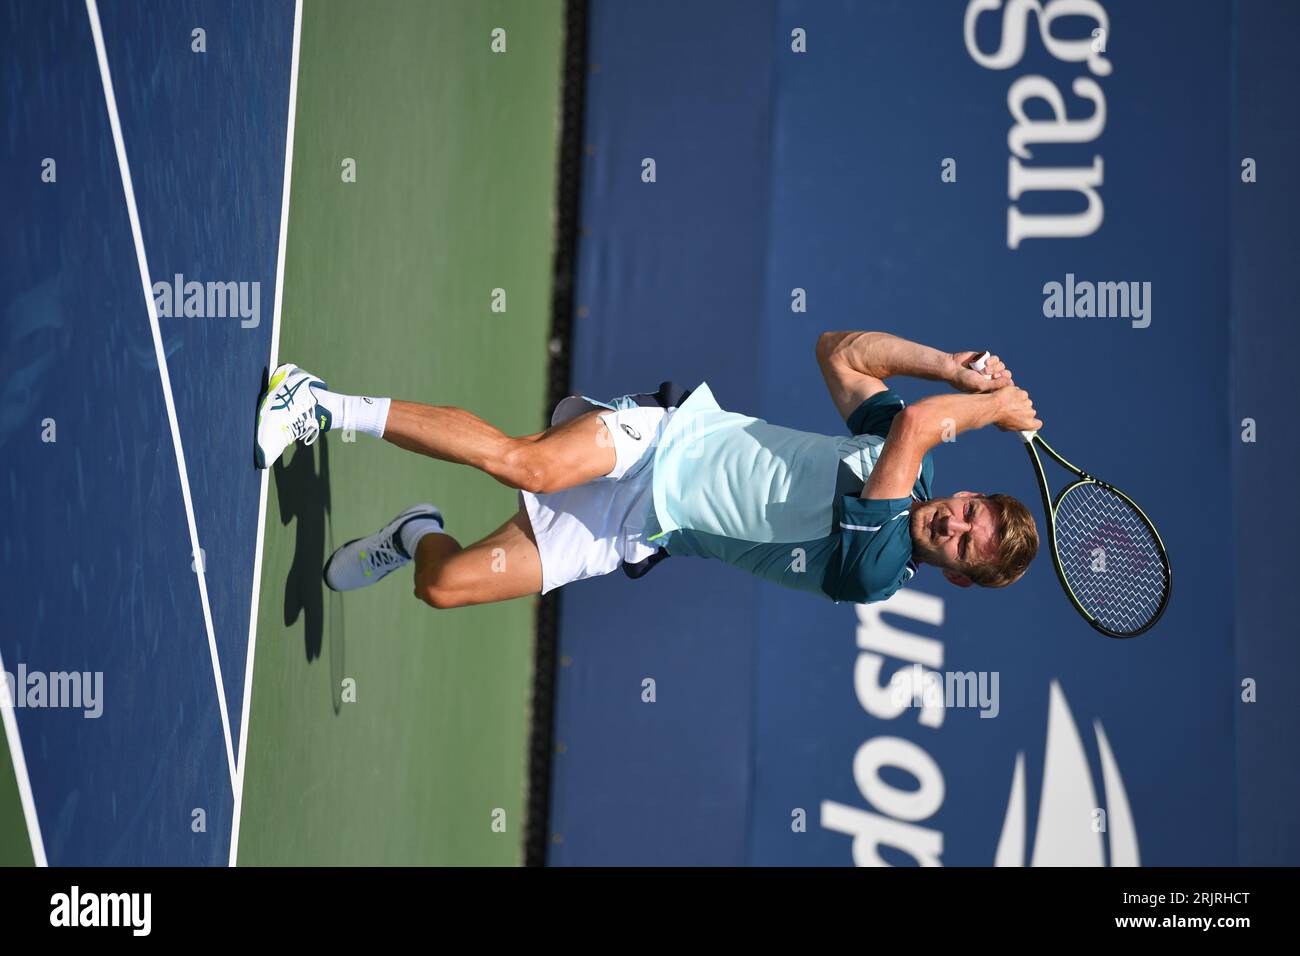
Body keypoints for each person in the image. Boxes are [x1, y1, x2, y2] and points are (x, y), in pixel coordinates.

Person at [253, 331, 1041, 609]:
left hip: (639, 526)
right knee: (526, 465)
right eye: (972, 511)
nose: (957, 523)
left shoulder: (878, 567)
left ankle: (414, 531)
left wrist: (993, 406)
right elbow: (841, 352)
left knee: (443, 586)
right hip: (667, 440)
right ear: (968, 494)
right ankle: (318, 403)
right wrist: (948, 364)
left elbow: (916, 423)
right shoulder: (895, 465)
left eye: (967, 544)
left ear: (958, 576)